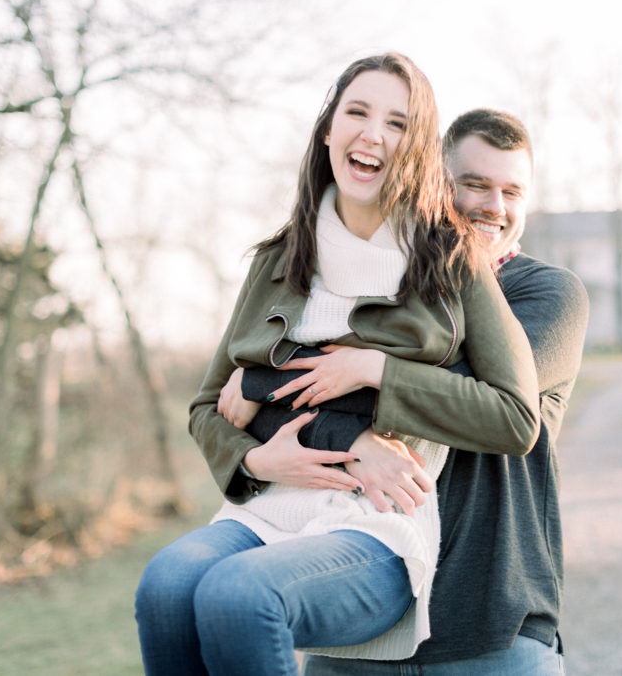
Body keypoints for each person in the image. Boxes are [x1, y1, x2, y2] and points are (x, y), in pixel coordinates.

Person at [134, 55, 541, 676]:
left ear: (419, 149)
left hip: (374, 525)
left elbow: (517, 418)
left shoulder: (453, 259)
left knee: (240, 597)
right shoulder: (276, 261)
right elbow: (205, 406)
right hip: (265, 509)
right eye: (357, 112)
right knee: (164, 588)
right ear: (329, 130)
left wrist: (377, 370)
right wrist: (251, 459)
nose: (372, 134)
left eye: (397, 123)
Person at [301, 109, 590, 674]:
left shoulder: (548, 293)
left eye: (513, 191)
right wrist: (350, 433)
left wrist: (368, 367)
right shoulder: (375, 283)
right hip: (358, 626)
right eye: (476, 184)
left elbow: (484, 398)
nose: (495, 207)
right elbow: (301, 387)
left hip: (493, 630)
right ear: (436, 182)